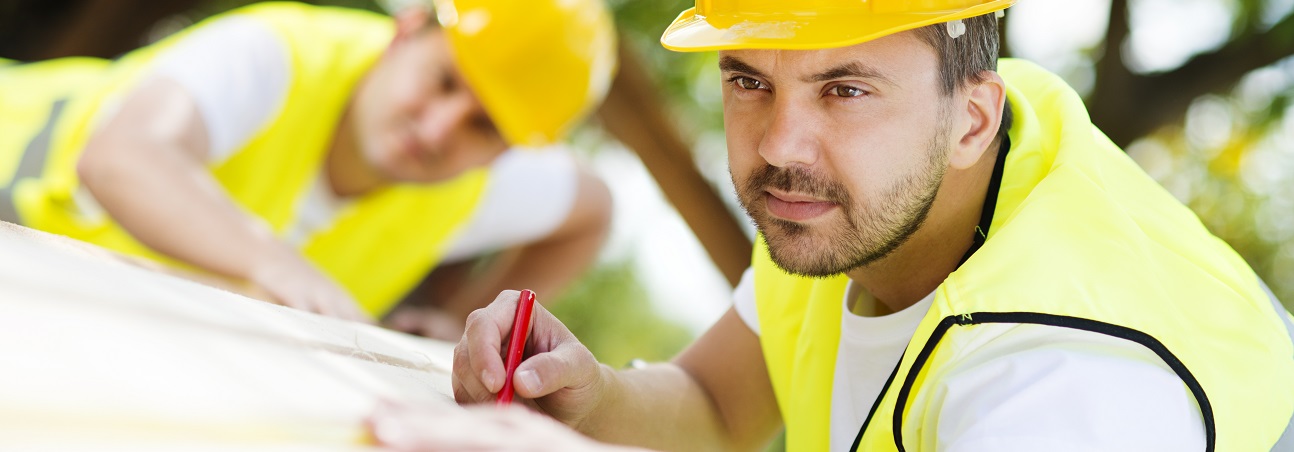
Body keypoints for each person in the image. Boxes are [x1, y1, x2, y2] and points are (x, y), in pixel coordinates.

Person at [374, 0, 1294, 450]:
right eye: (748, 81)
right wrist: (586, 396)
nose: (781, 146)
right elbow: (717, 404)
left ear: (972, 118)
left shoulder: (1063, 384)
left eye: (845, 90)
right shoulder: (872, 195)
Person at [0, 0, 617, 338]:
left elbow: (594, 211)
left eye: (483, 126)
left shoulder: (483, 186)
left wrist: (467, 323)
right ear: (406, 32)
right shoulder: (276, 52)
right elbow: (123, 156)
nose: (436, 130)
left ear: (508, 149)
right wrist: (273, 262)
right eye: (443, 80)